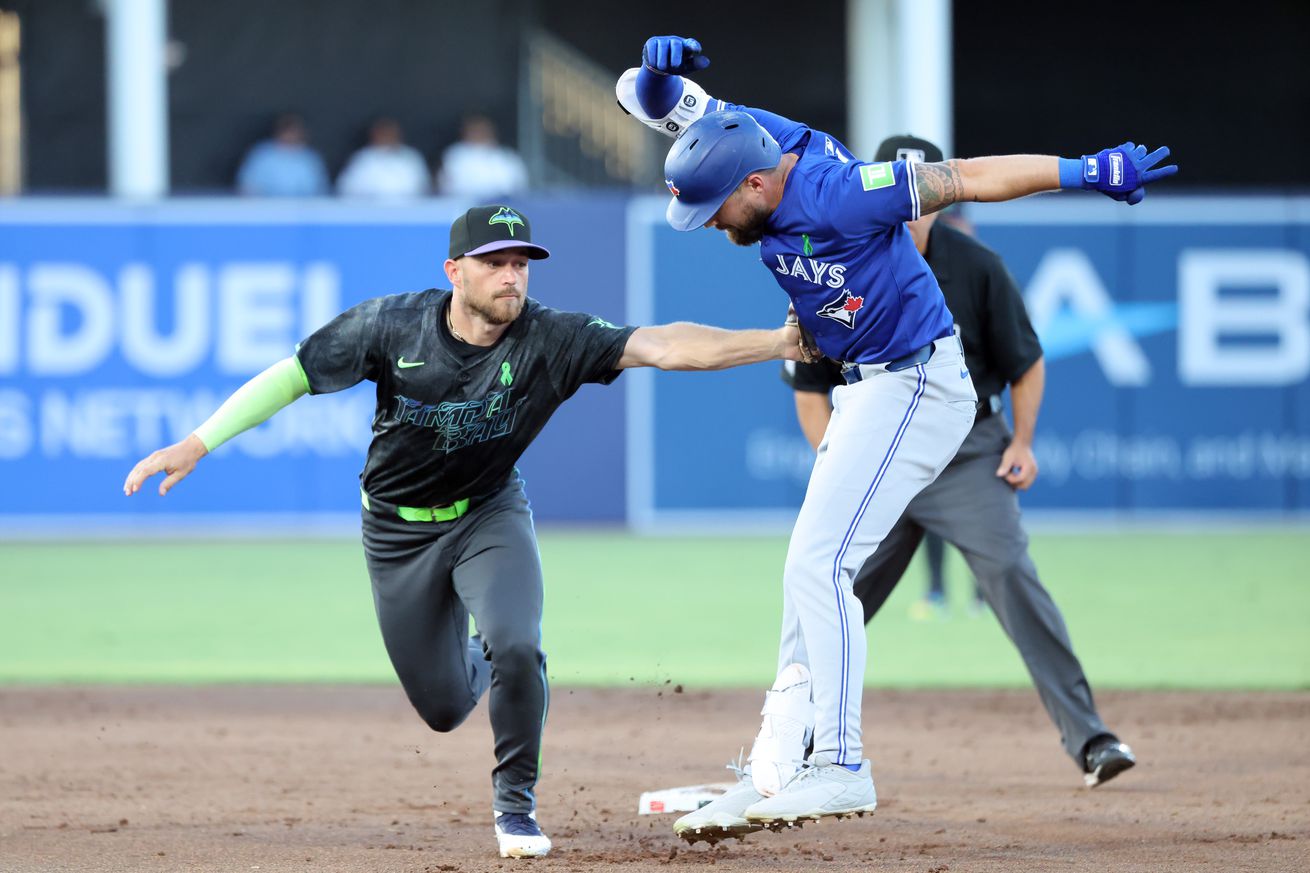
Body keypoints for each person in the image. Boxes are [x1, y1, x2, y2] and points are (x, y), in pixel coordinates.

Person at [616, 35, 1175, 842]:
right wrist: (660, 73)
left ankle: (840, 764)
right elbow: (646, 95)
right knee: (802, 581)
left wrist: (1086, 170)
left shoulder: (842, 189)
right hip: (866, 388)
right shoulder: (739, 134)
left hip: (917, 380)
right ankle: (775, 766)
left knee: (820, 564)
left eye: (716, 211)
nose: (710, 226)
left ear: (756, 182)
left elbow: (971, 176)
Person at [122, 204, 803, 859]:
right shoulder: (393, 326)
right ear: (455, 271)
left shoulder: (550, 337)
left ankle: (515, 805)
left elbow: (663, 345)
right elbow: (292, 376)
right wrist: (198, 442)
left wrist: (775, 341)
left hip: (488, 512)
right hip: (396, 531)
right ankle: (491, 656)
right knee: (445, 707)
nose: (512, 275)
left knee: (517, 643)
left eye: (521, 262)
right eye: (494, 262)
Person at [784, 132, 1137, 795]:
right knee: (826, 588)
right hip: (876, 451)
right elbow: (809, 393)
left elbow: (1025, 362)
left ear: (941, 199)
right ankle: (788, 742)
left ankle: (1091, 736)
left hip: (966, 451)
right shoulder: (830, 257)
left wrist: (1022, 441)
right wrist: (842, 470)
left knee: (1009, 573)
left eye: (925, 199)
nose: (913, 212)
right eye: (902, 196)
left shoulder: (976, 266)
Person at [436, 114, 530, 200]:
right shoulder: (455, 155)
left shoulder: (506, 156)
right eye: (475, 130)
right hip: (465, 205)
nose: (479, 133)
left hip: (504, 205)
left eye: (483, 129)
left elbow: (519, 186)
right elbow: (447, 187)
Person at [235, 113, 330, 197]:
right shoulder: (262, 155)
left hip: (303, 212)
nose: (290, 134)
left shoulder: (309, 158)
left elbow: (320, 191)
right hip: (266, 211)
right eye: (287, 129)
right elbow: (246, 188)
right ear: (278, 131)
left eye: (294, 130)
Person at [336, 117, 431, 199]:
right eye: (383, 133)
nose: (386, 136)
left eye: (390, 133)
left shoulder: (411, 157)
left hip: (410, 213)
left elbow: (424, 189)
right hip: (369, 213)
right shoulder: (363, 158)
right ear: (374, 135)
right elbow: (346, 190)